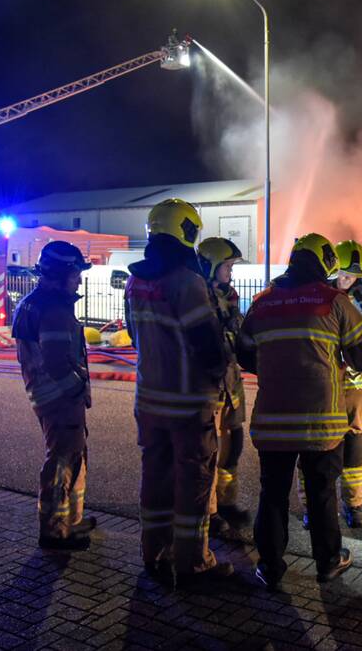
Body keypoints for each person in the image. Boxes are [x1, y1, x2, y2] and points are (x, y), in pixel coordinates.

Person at [237, 233, 362, 588]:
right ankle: (328, 562)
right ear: (324, 264)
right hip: (322, 422)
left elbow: (243, 353)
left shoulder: (262, 301)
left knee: (271, 494)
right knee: (321, 494)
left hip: (272, 422)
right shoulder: (334, 301)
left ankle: (269, 567)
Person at [125, 198, 231, 586]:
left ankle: (154, 555)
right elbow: (207, 344)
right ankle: (192, 563)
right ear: (187, 231)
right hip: (189, 405)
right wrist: (220, 373)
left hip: (148, 400)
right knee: (194, 483)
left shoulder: (136, 281)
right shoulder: (187, 282)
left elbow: (136, 337)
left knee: (154, 477)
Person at [11, 241, 95, 551]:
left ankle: (70, 520)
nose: (79, 279)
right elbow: (58, 361)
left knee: (71, 454)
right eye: (76, 273)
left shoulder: (31, 303)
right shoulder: (55, 309)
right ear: (61, 274)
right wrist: (77, 390)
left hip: (44, 394)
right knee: (63, 459)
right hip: (60, 398)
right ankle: (55, 530)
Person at [297, 239, 362, 529]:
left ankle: (353, 505)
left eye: (354, 277)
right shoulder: (317, 298)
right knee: (315, 449)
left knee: (354, 452)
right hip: (321, 387)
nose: (347, 282)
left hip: (352, 389)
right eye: (344, 275)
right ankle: (313, 507)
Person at [195, 237, 251, 541]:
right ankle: (211, 511)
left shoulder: (229, 295)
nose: (230, 271)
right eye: (227, 266)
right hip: (211, 387)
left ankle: (227, 503)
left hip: (231, 386)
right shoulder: (198, 298)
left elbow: (237, 334)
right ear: (211, 266)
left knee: (233, 448)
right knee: (211, 452)